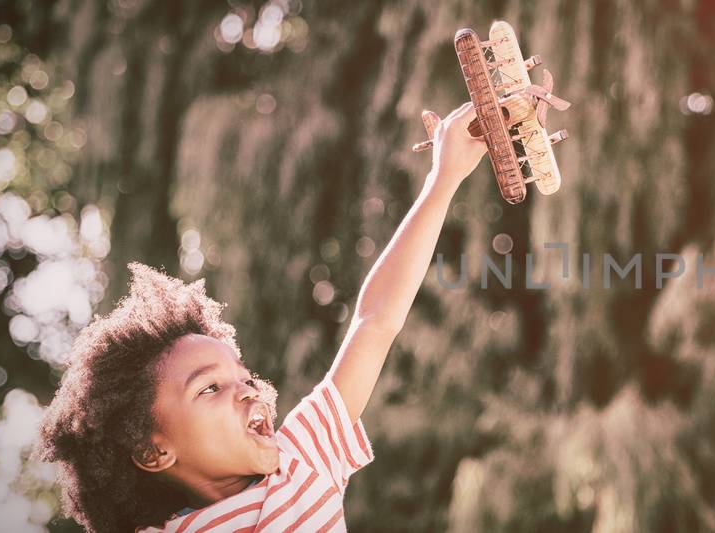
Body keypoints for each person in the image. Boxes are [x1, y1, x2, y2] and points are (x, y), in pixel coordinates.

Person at [35, 103, 486, 532]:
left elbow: (375, 319)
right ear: (154, 450)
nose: (247, 392)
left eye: (245, 378)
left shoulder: (301, 464)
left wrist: (443, 178)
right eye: (209, 387)